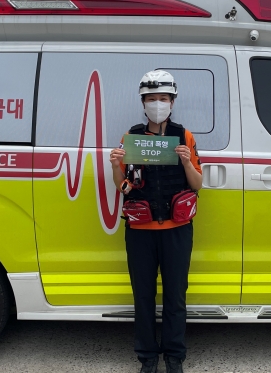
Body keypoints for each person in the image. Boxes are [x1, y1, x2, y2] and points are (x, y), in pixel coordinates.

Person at [109, 70, 202, 373]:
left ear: (172, 102)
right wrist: (116, 166)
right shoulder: (131, 138)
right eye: (151, 99)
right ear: (143, 102)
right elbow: (124, 188)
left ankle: (174, 356)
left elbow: (197, 185)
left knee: (175, 296)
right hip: (140, 230)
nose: (157, 104)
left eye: (163, 98)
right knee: (143, 296)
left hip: (177, 230)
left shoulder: (184, 136)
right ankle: (147, 357)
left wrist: (186, 161)